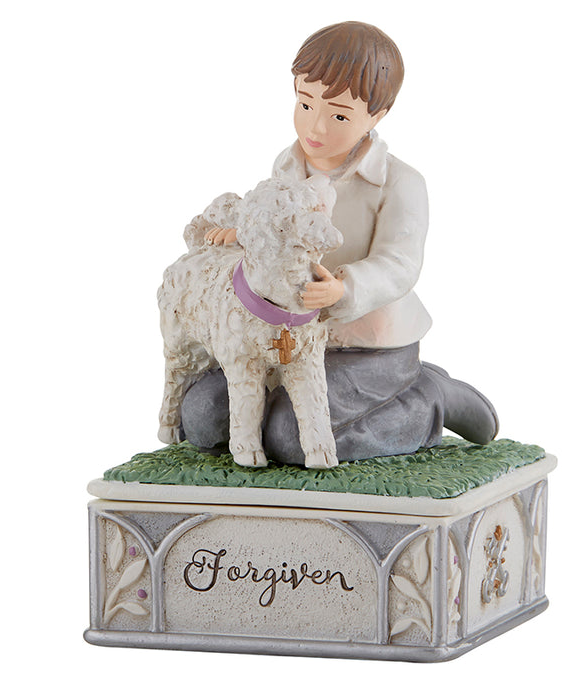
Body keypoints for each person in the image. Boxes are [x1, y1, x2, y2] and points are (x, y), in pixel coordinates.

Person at [181, 21, 498, 463]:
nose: (315, 126)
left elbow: (400, 263)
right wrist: (245, 235)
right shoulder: (287, 165)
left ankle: (427, 396)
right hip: (285, 333)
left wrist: (343, 289)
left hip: (367, 345)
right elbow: (279, 227)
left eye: (340, 116)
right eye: (304, 102)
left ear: (378, 115)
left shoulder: (400, 183)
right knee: (201, 417)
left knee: (290, 439)